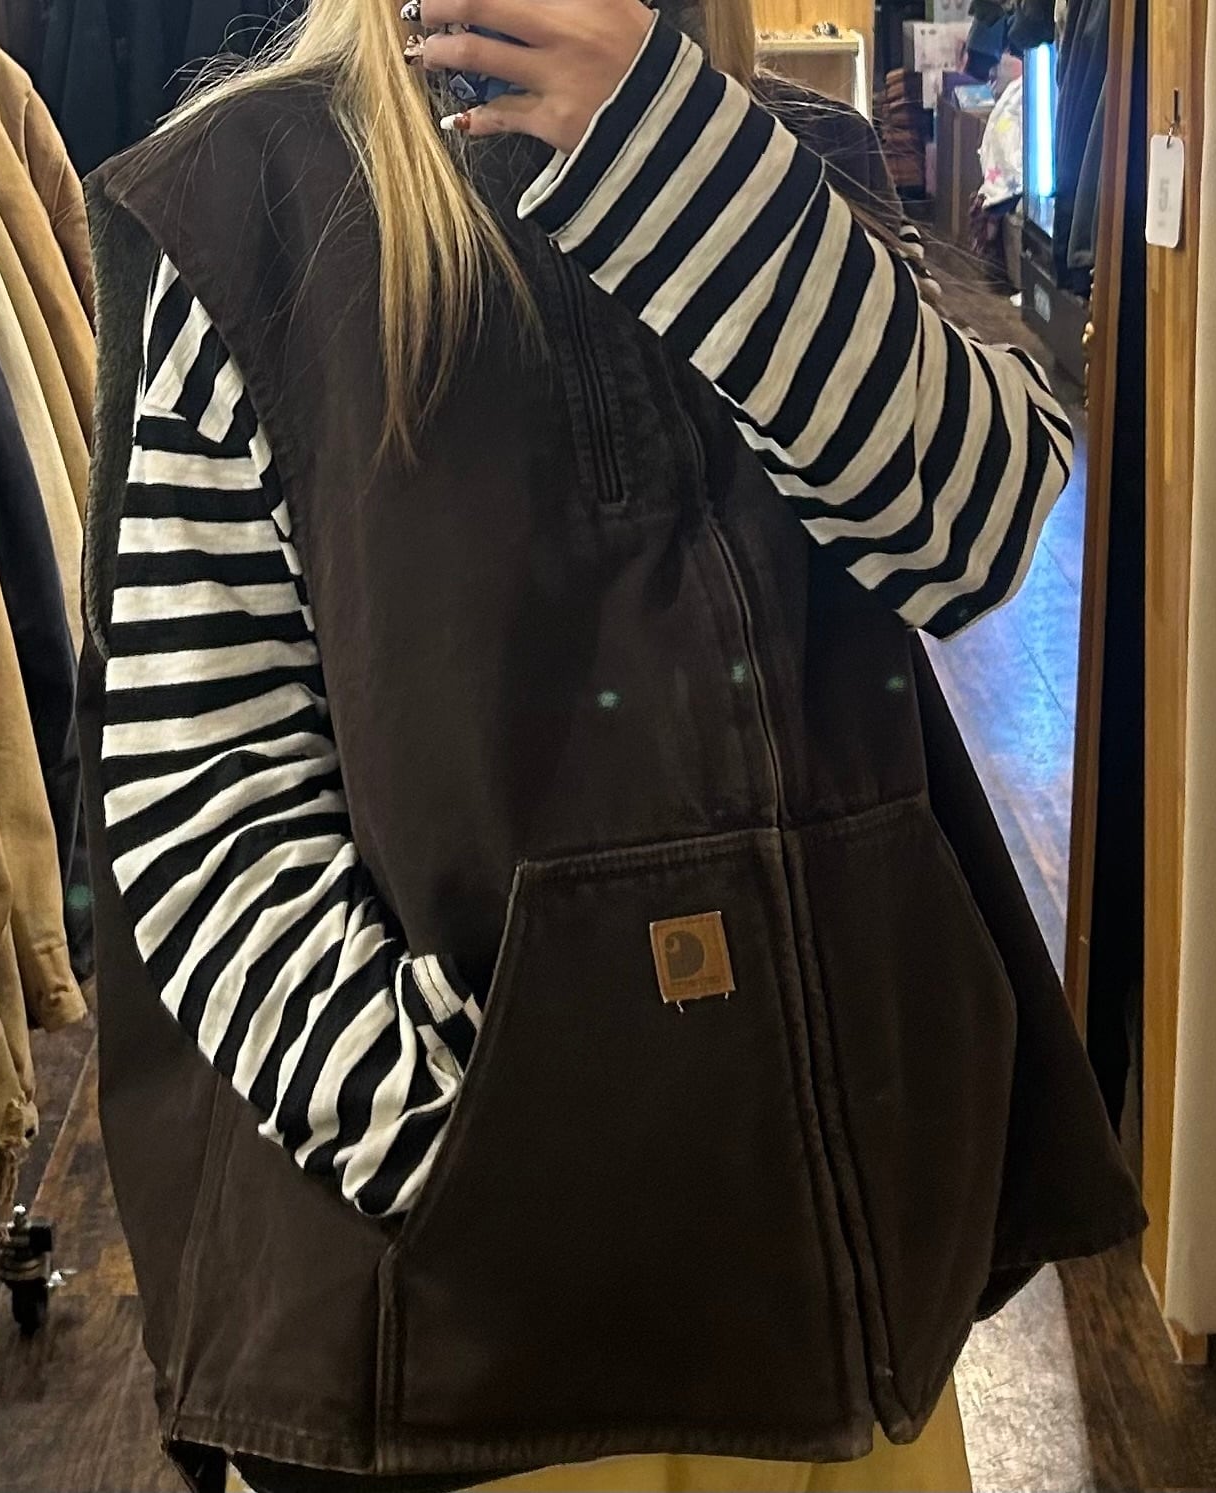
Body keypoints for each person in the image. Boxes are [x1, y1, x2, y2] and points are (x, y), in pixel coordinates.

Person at [79, 1, 1145, 1490]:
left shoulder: (794, 154)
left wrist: (666, 142)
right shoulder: (250, 202)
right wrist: (470, 1156)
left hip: (836, 1266)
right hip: (468, 1343)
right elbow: (201, 791)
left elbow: (961, 533)